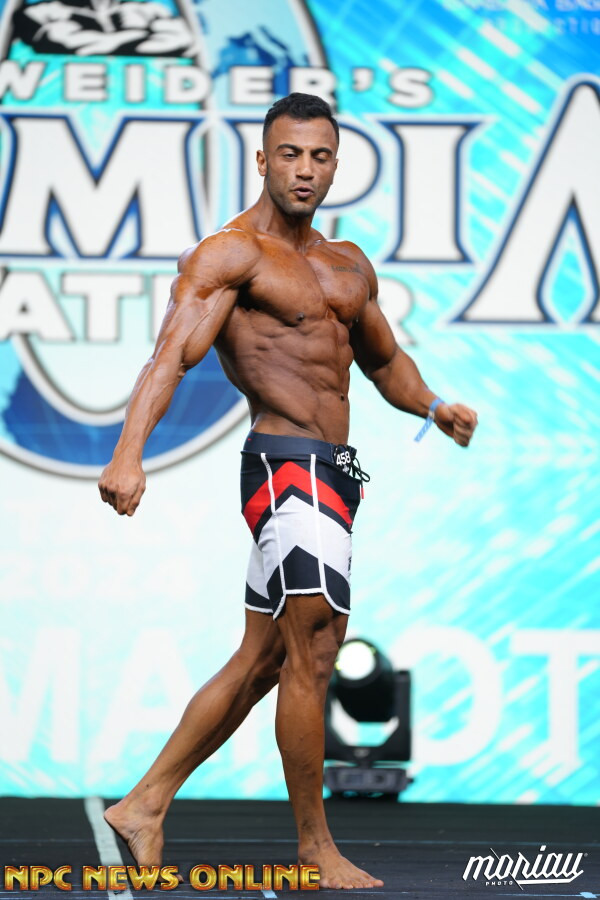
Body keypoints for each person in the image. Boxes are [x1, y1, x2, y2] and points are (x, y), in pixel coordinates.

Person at [98, 92, 478, 890]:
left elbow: (383, 362)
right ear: (263, 160)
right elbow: (170, 357)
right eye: (291, 154)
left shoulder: (348, 263)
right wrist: (129, 455)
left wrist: (434, 405)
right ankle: (314, 848)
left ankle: (145, 803)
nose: (305, 169)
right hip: (287, 468)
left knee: (267, 655)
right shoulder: (230, 256)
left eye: (320, 156)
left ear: (335, 165)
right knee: (318, 650)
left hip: (331, 473)